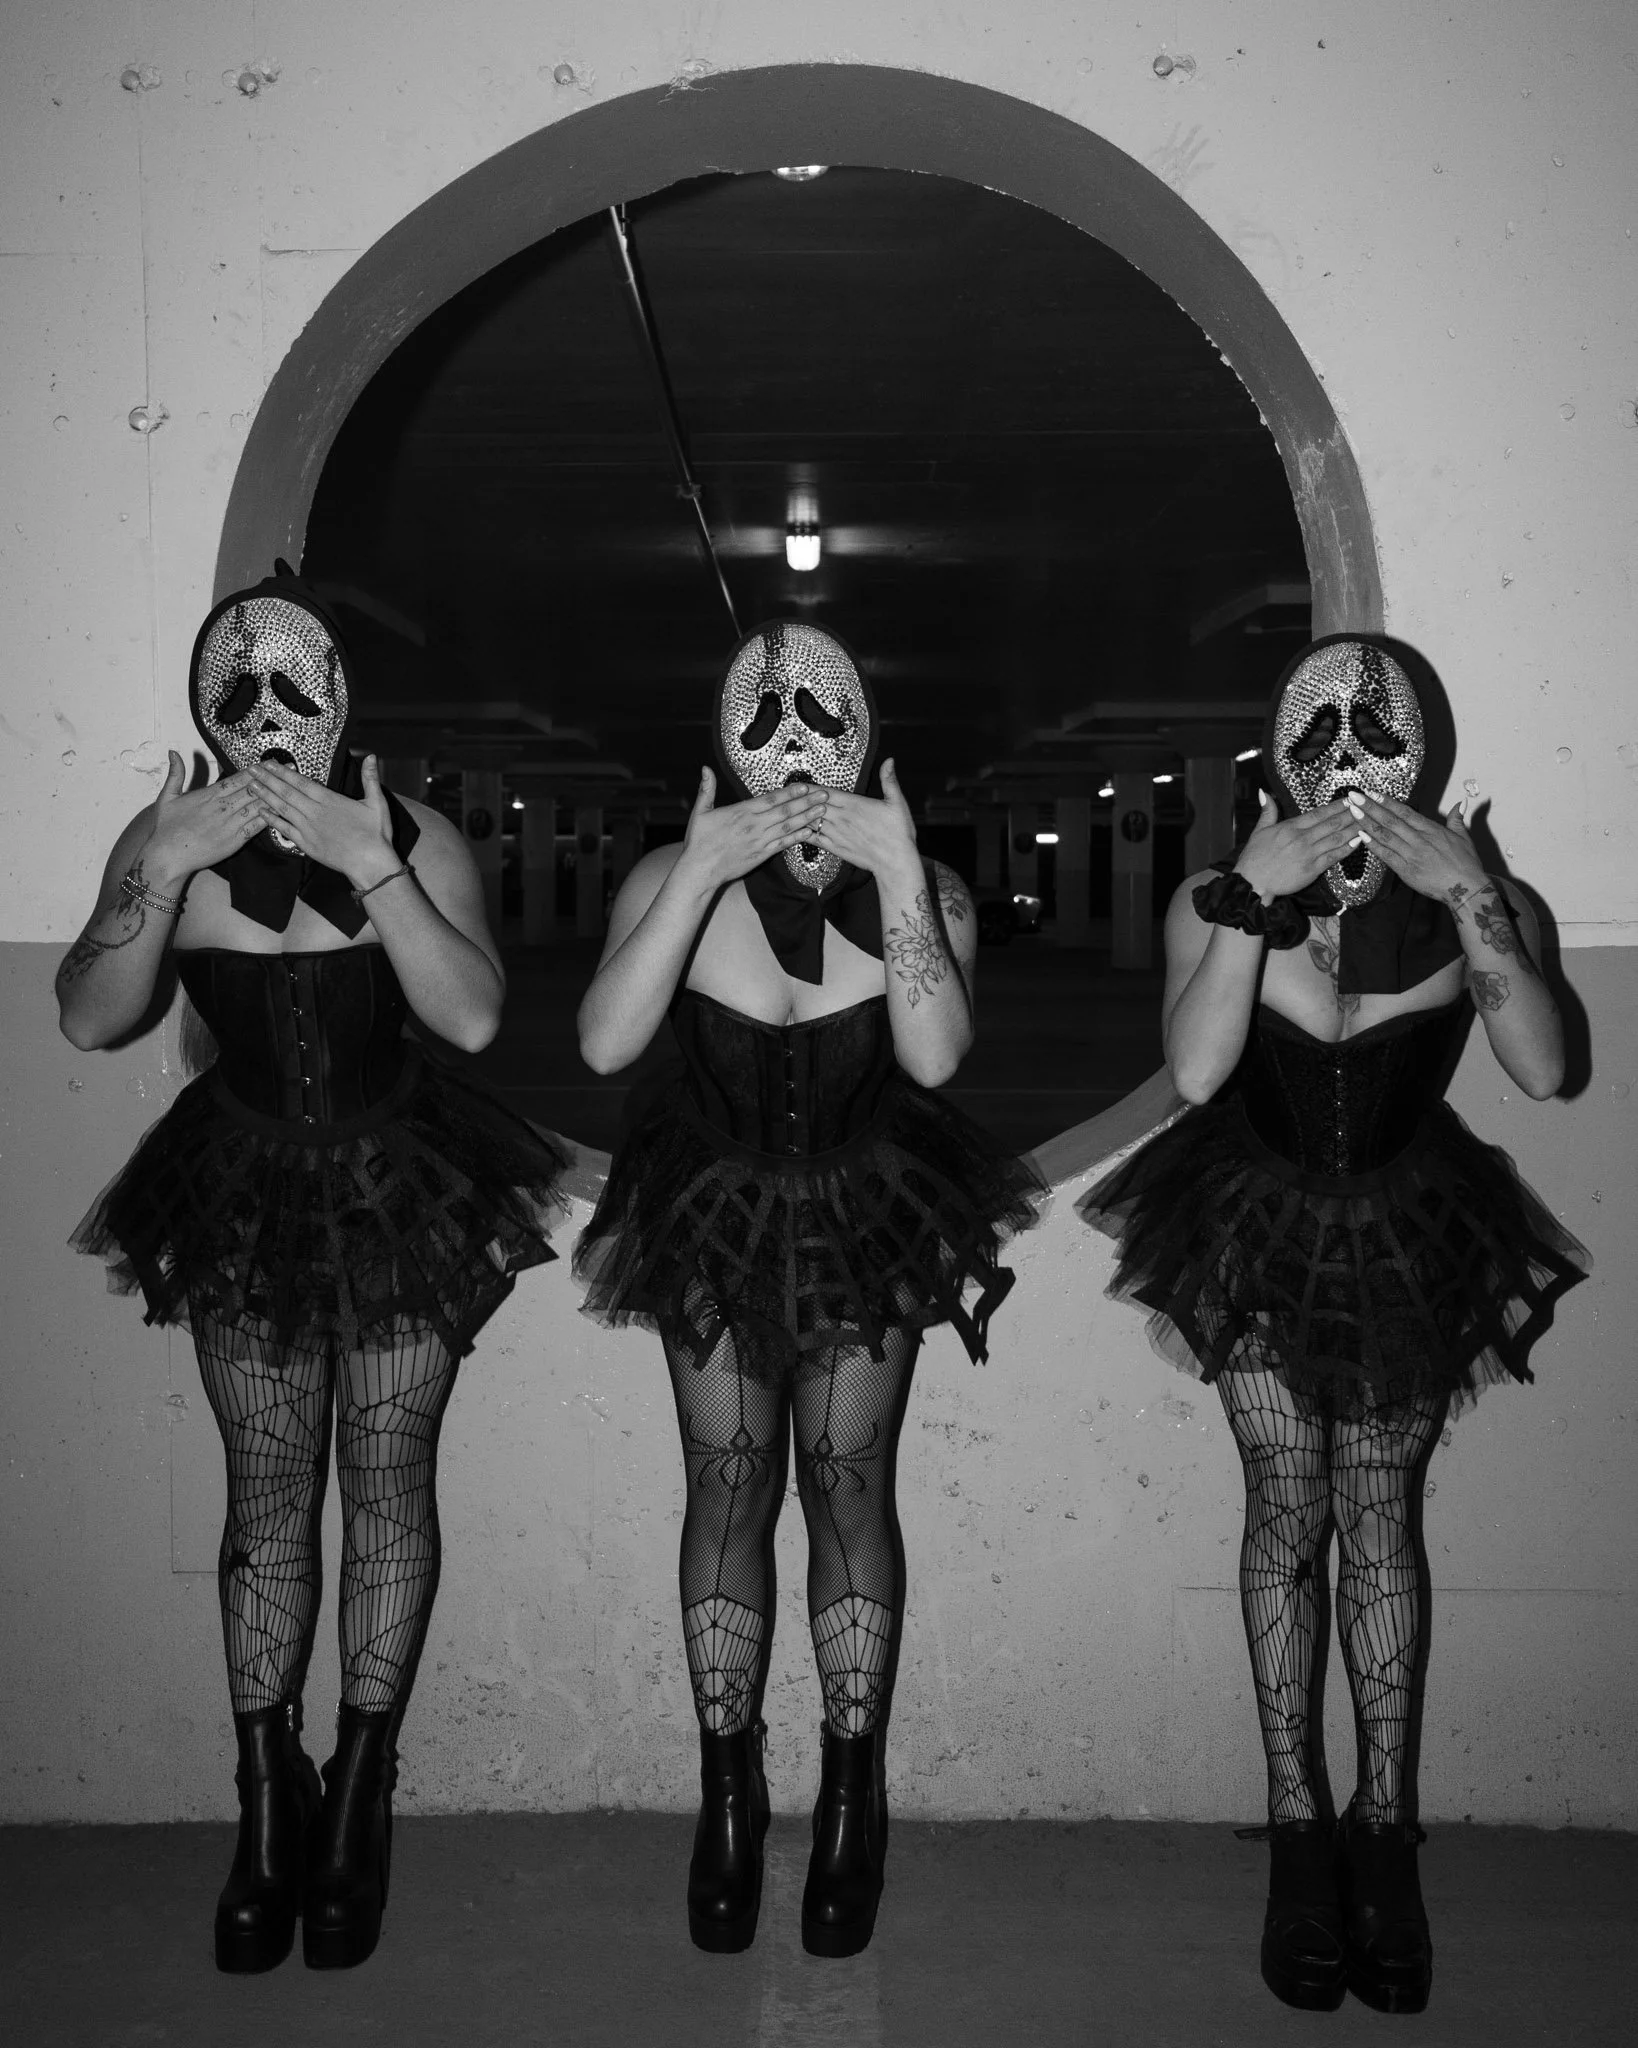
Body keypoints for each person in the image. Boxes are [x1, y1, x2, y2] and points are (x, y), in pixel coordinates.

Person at [62, 566, 566, 1973]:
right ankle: (265, 1804)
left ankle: (357, 1792)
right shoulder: (164, 834)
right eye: (241, 684)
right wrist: (162, 865)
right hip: (242, 1193)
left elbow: (470, 1019)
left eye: (298, 679)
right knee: (267, 1496)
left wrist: (375, 860)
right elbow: (91, 1019)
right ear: (204, 700)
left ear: (343, 689)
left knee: (389, 1480)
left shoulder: (414, 832)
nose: (271, 709)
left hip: (402, 1183)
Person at [1080, 637, 1585, 2015]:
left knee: (1378, 1516)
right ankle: (1297, 1829)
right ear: (1279, 747)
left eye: (1377, 735)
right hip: (1251, 1223)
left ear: (1422, 752)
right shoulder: (1216, 895)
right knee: (1283, 1508)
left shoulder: (1483, 898)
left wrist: (1470, 895)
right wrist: (1252, 898)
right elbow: (1197, 1072)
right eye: (1320, 736)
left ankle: (1383, 1836)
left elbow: (1544, 1069)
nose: (1350, 762)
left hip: (1409, 1229)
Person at [575, 621, 1042, 1958]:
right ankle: (726, 1793)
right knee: (726, 1486)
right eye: (765, 720)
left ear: (868, 732)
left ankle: (850, 1792)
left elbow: (936, 1058)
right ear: (726, 739)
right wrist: (694, 871)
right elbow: (605, 1041)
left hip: (865, 1216)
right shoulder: (673, 871)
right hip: (710, 1213)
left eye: (822, 719)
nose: (793, 747)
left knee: (846, 1488)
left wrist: (896, 870)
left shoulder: (928, 888)